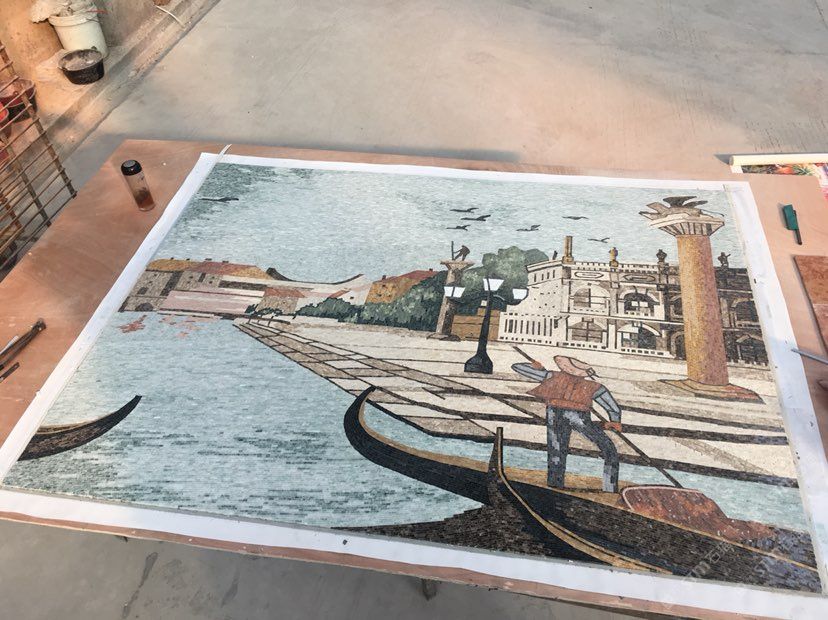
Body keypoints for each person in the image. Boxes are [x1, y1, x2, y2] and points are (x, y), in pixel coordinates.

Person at [512, 355, 622, 493]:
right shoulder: (594, 386)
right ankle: (609, 488)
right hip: (578, 416)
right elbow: (612, 407)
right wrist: (615, 421)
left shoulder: (552, 376)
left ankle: (555, 485)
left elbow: (517, 367)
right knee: (609, 450)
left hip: (554, 413)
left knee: (556, 451)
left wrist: (537, 368)